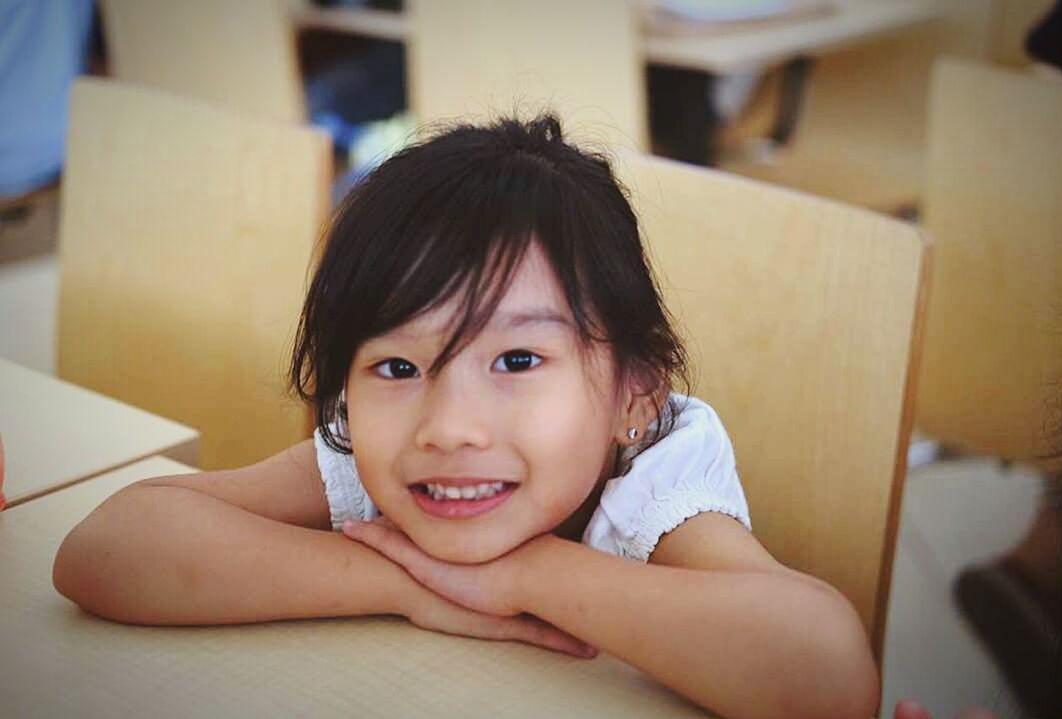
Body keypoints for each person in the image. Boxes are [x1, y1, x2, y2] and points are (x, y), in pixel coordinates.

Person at [52, 115, 878, 719]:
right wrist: (409, 585)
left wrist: (522, 576)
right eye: (397, 367)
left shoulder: (649, 480)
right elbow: (106, 549)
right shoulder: (377, 456)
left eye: (517, 360)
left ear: (636, 392)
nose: (447, 427)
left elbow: (825, 673)